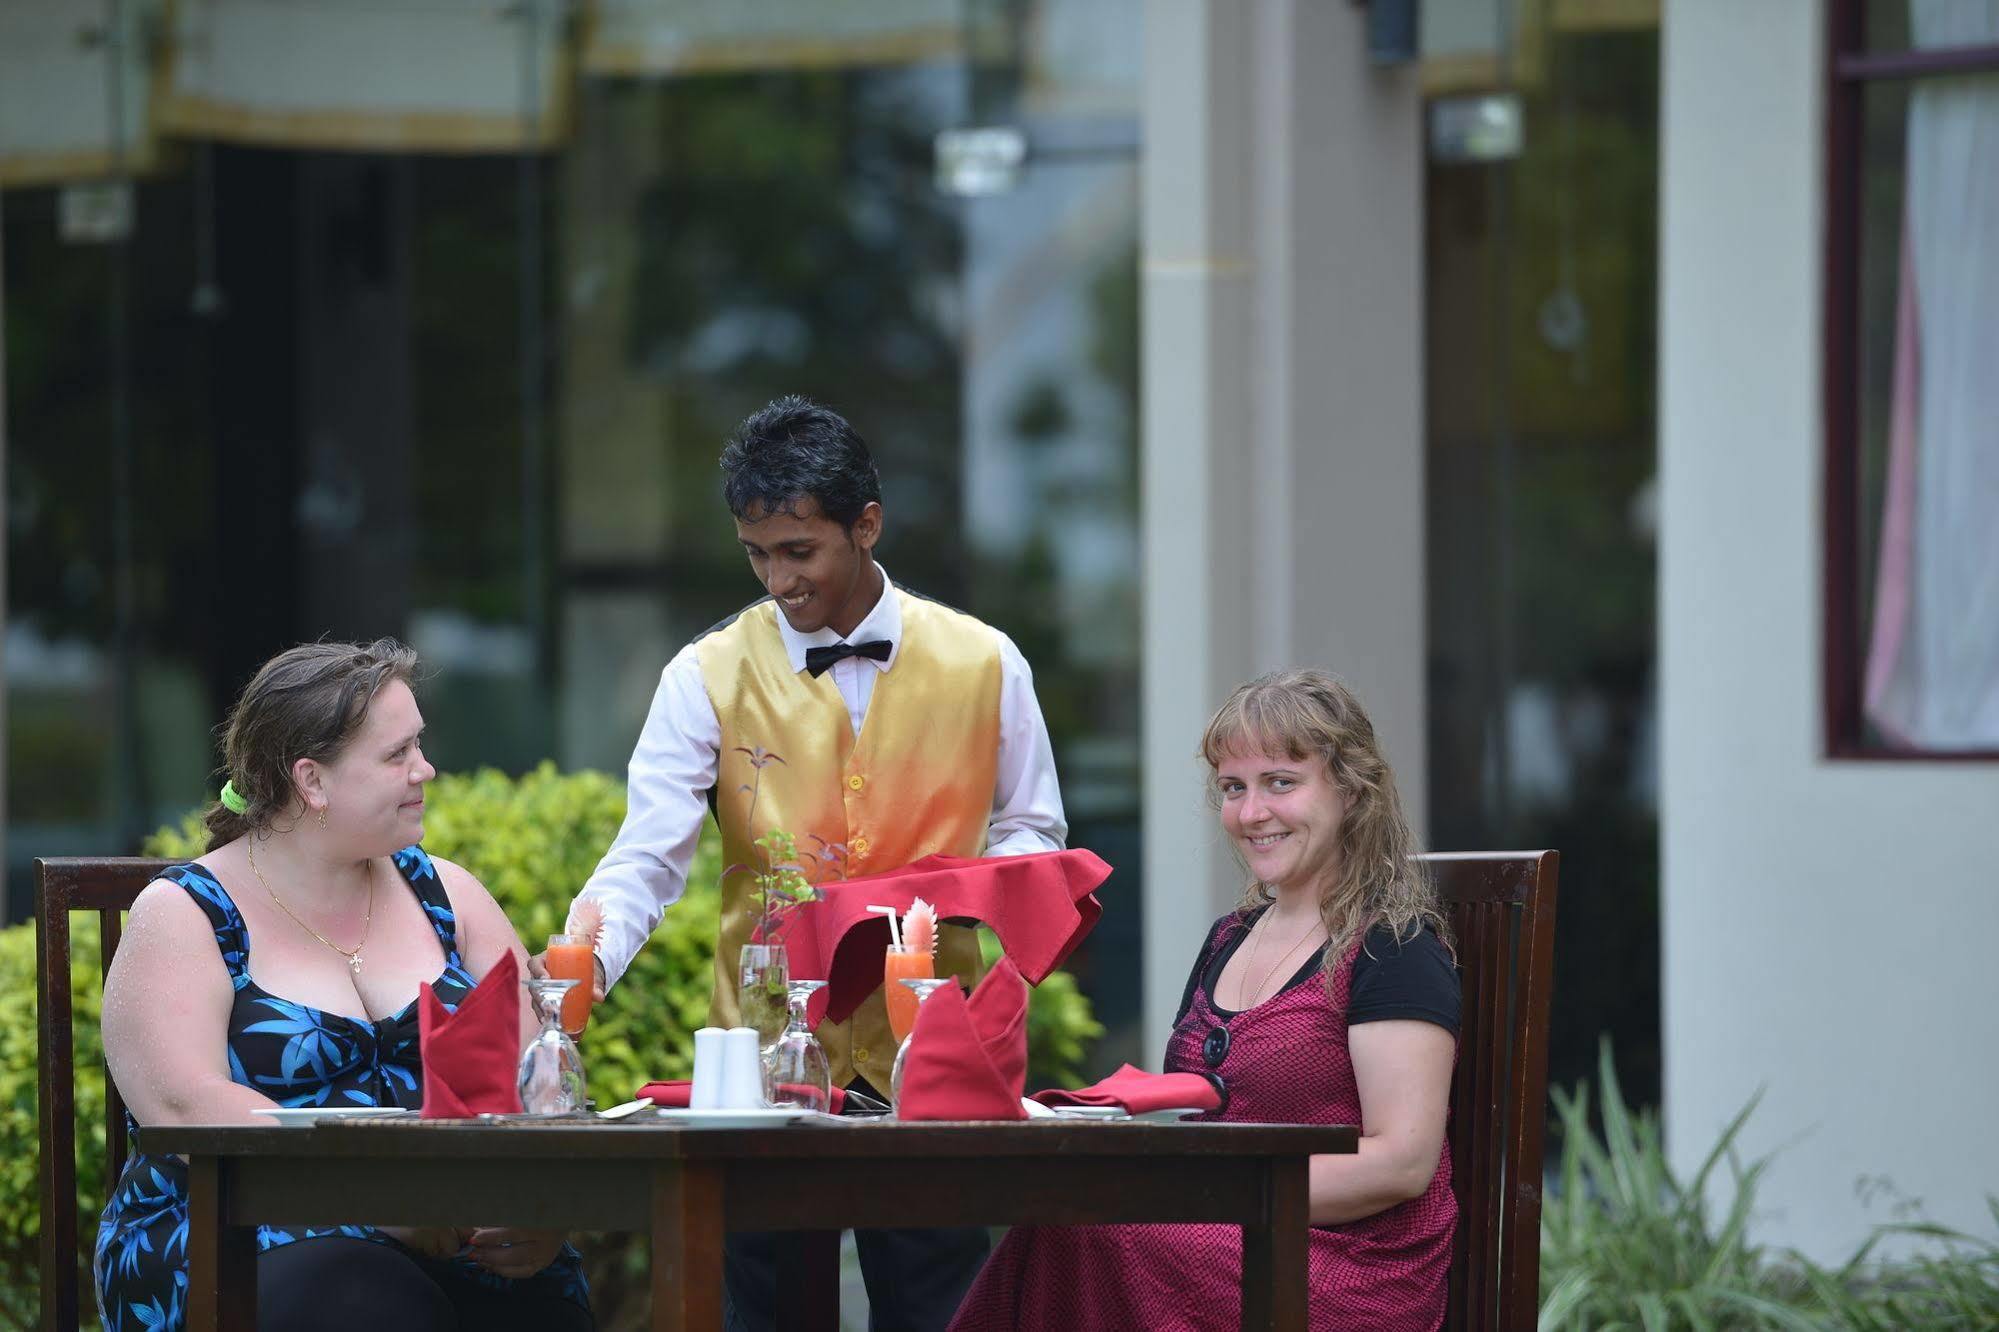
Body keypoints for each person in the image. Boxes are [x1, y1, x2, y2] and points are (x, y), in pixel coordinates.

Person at [564, 395, 1068, 1331]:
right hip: (761, 1060)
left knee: (939, 1311)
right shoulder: (702, 674)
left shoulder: (988, 662)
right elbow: (648, 854)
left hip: (930, 1059)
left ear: (865, 525)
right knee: (765, 1314)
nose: (777, 579)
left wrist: (969, 899)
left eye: (799, 552)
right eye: (757, 554)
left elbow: (1032, 830)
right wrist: (581, 961)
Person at [95, 640, 592, 1332]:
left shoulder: (447, 896)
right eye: (397, 755)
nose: (427, 770)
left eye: (419, 745)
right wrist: (380, 1204)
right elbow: (184, 1108)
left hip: (456, 1236)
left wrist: (537, 1208)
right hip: (243, 1237)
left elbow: (537, 1076)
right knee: (358, 1298)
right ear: (312, 780)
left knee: (541, 1308)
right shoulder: (187, 913)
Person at [950, 669, 1459, 1332]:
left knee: (1089, 1233)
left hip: (1346, 1269)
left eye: (1280, 782)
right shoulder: (1231, 936)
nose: (1251, 813)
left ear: (1350, 789)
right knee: (1059, 1215)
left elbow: (1400, 1163)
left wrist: (1213, 1199)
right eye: (1232, 788)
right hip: (1231, 1233)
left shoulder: (1391, 947)